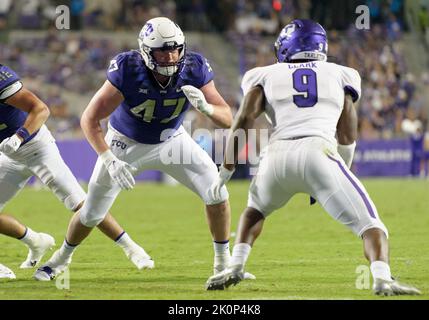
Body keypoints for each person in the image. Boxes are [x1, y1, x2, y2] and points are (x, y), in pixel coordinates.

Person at [205, 19, 421, 296]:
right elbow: (347, 132)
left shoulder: (264, 74)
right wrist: (342, 165)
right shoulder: (342, 73)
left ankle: (236, 266)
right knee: (370, 224)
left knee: (255, 209)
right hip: (319, 151)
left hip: (276, 155)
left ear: (284, 47)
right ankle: (381, 278)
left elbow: (244, 119)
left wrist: (226, 168)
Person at [34, 17, 254, 282]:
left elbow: (228, 117)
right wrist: (108, 158)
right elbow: (89, 119)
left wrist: (206, 108)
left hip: (172, 139)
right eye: (163, 50)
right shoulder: (128, 68)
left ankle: (223, 264)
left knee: (217, 193)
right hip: (125, 143)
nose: (172, 55)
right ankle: (61, 259)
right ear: (147, 52)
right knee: (92, 212)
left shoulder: (194, 68)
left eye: (175, 48)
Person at [0, 63, 152, 279]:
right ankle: (36, 241)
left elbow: (41, 109)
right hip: (7, 156)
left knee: (83, 205)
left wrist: (19, 137)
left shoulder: (2, 79)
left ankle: (131, 248)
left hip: (36, 148)